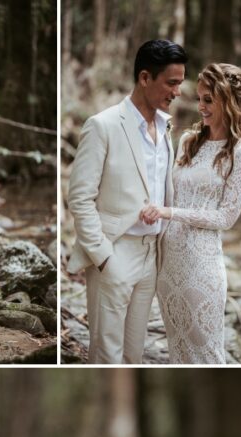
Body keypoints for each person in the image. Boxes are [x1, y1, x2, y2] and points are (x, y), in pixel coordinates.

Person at [67, 39, 187, 364]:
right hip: (115, 251)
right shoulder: (102, 125)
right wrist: (104, 257)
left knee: (135, 355)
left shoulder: (166, 128)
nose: (177, 92)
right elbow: (79, 196)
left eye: (180, 83)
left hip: (152, 256)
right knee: (106, 355)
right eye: (171, 83)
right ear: (145, 78)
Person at [139, 63, 241, 364]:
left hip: (201, 266)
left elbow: (225, 218)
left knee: (206, 351)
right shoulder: (188, 142)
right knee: (177, 349)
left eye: (208, 100)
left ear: (228, 102)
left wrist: (170, 212)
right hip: (168, 264)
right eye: (200, 99)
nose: (200, 107)